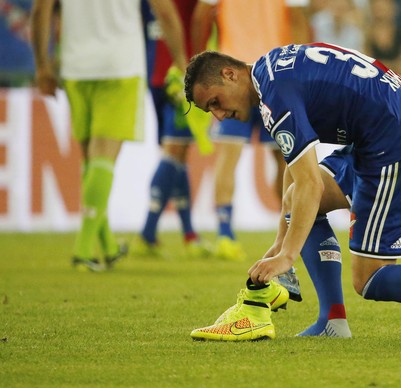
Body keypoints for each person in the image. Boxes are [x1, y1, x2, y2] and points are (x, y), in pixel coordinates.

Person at [184, 44, 401, 341]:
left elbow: (311, 184)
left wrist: (287, 256)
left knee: (370, 279)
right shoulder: (272, 68)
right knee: (296, 200)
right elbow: (297, 171)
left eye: (215, 101)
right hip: (383, 137)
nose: (218, 114)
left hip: (400, 146)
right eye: (208, 111)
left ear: (230, 74)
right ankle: (332, 321)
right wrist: (280, 243)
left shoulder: (275, 96)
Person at [31, 0, 187, 271]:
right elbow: (165, 12)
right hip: (121, 65)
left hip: (76, 67)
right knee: (103, 159)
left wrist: (42, 65)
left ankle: (109, 247)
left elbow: (40, 11)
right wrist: (182, 61)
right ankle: (82, 251)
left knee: (92, 162)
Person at [191, 0, 311, 262]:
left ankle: (225, 235)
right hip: (275, 75)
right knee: (287, 161)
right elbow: (298, 20)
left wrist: (202, 62)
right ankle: (294, 232)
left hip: (231, 75)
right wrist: (298, 70)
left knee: (229, 158)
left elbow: (202, 16)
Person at [134, 0, 211, 259]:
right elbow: (202, 16)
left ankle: (189, 235)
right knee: (174, 151)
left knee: (178, 154)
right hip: (179, 71)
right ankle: (147, 232)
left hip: (154, 69)